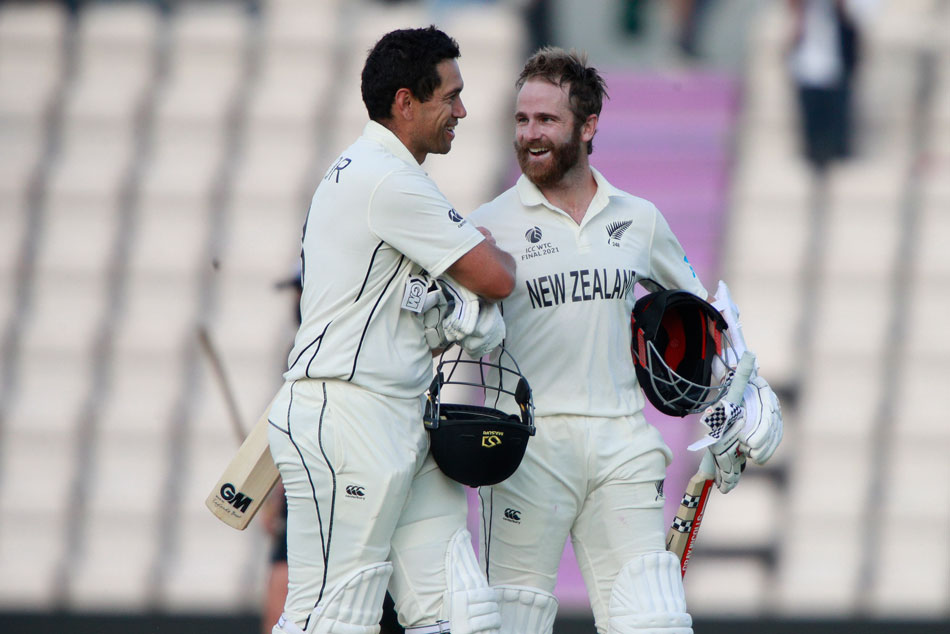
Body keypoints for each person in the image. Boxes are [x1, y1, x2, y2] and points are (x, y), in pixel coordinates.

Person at [467, 47, 782, 634]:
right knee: (510, 623)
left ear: (588, 126)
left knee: (654, 622)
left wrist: (740, 394)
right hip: (526, 448)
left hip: (622, 444)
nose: (530, 134)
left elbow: (704, 314)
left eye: (547, 120)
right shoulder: (487, 225)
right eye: (522, 119)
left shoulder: (639, 218)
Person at [266, 26, 516, 634]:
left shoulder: (382, 173)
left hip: (399, 411)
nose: (462, 111)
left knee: (459, 611)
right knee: (333, 617)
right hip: (348, 415)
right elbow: (497, 277)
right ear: (405, 102)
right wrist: (486, 251)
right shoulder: (386, 179)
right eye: (450, 97)